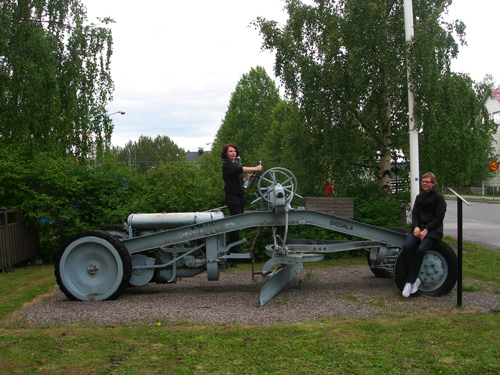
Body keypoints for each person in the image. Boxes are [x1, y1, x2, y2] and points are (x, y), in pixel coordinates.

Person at [402, 172, 447, 298]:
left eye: (427, 182)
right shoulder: (419, 198)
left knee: (421, 250)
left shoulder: (439, 199)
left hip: (433, 231)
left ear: (433, 184)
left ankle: (410, 282)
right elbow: (415, 214)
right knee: (407, 246)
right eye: (423, 182)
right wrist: (416, 227)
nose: (424, 184)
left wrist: (427, 229)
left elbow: (439, 218)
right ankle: (415, 279)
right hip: (419, 229)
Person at [221, 143, 262, 252]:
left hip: (239, 196)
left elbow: (237, 178)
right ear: (226, 154)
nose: (233, 153)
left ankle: (235, 246)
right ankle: (234, 248)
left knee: (238, 222)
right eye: (230, 151)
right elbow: (239, 170)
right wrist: (255, 168)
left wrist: (246, 179)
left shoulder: (233, 165)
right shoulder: (227, 165)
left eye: (234, 151)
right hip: (232, 197)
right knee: (235, 222)